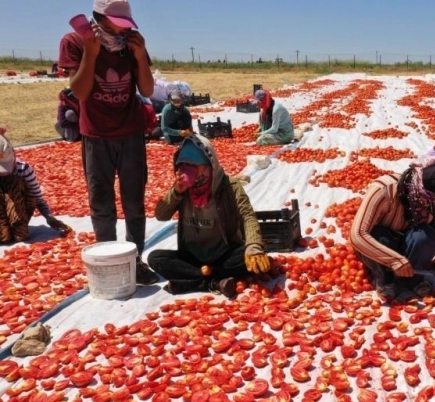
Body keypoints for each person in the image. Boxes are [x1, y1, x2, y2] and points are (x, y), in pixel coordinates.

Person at [58, 0, 158, 285]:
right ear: (100, 19)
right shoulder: (76, 42)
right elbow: (79, 91)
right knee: (101, 201)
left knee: (134, 201)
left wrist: (139, 57)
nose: (122, 32)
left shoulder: (132, 44)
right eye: (117, 26)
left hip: (131, 132)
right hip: (96, 135)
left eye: (126, 27)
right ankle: (108, 260)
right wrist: (91, 53)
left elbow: (148, 89)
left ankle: (135, 260)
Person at [148, 134, 270, 298]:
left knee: (250, 254)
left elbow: (247, 215)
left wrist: (254, 246)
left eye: (193, 166)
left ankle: (192, 281)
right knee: (155, 258)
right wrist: (176, 192)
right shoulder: (182, 189)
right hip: (191, 257)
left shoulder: (229, 186)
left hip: (223, 255)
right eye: (182, 165)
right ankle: (213, 282)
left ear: (209, 166)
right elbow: (161, 215)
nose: (185, 171)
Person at [350, 158, 435, 302]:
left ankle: (413, 278)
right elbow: (357, 235)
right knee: (381, 237)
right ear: (419, 191)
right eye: (431, 203)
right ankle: (385, 278)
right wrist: (394, 260)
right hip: (381, 244)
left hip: (407, 240)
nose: (434, 208)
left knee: (427, 236)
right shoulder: (384, 191)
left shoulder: (434, 199)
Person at [0, 134, 72, 243]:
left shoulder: (23, 169)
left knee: (16, 182)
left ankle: (17, 225)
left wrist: (49, 217)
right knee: (3, 236)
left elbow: (37, 197)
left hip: (17, 205)